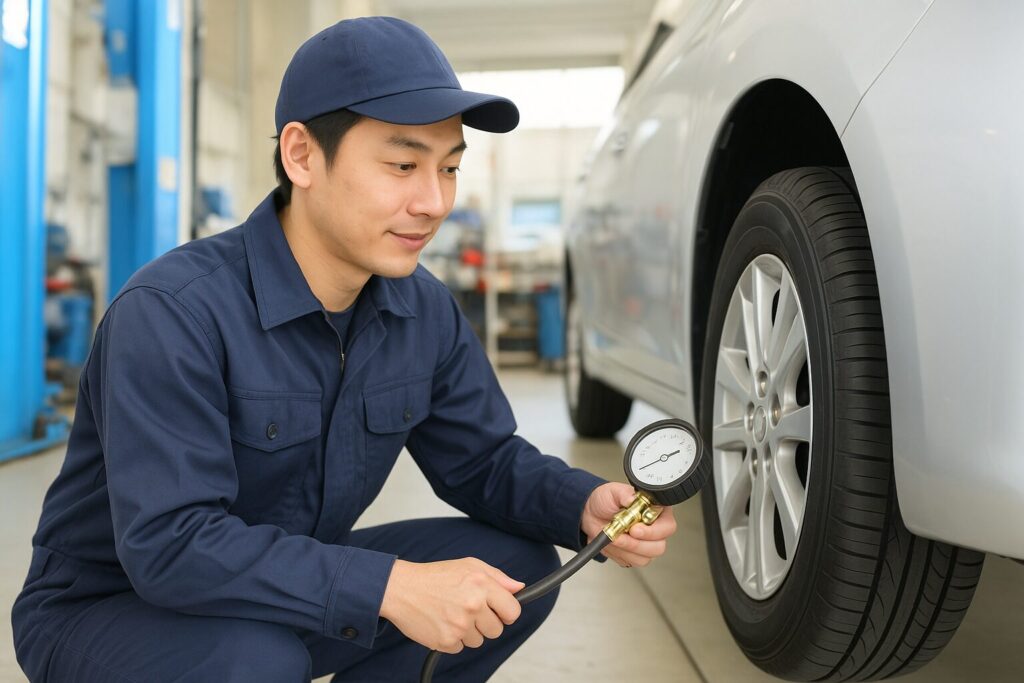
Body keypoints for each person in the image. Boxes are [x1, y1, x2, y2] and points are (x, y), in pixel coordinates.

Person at [12, 16, 677, 682]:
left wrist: (580, 504)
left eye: (448, 168)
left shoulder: (422, 309)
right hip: (107, 608)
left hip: (275, 586)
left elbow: (482, 460)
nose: (433, 201)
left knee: (512, 571)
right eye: (402, 165)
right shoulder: (174, 313)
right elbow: (169, 545)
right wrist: (388, 586)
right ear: (301, 156)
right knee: (259, 661)